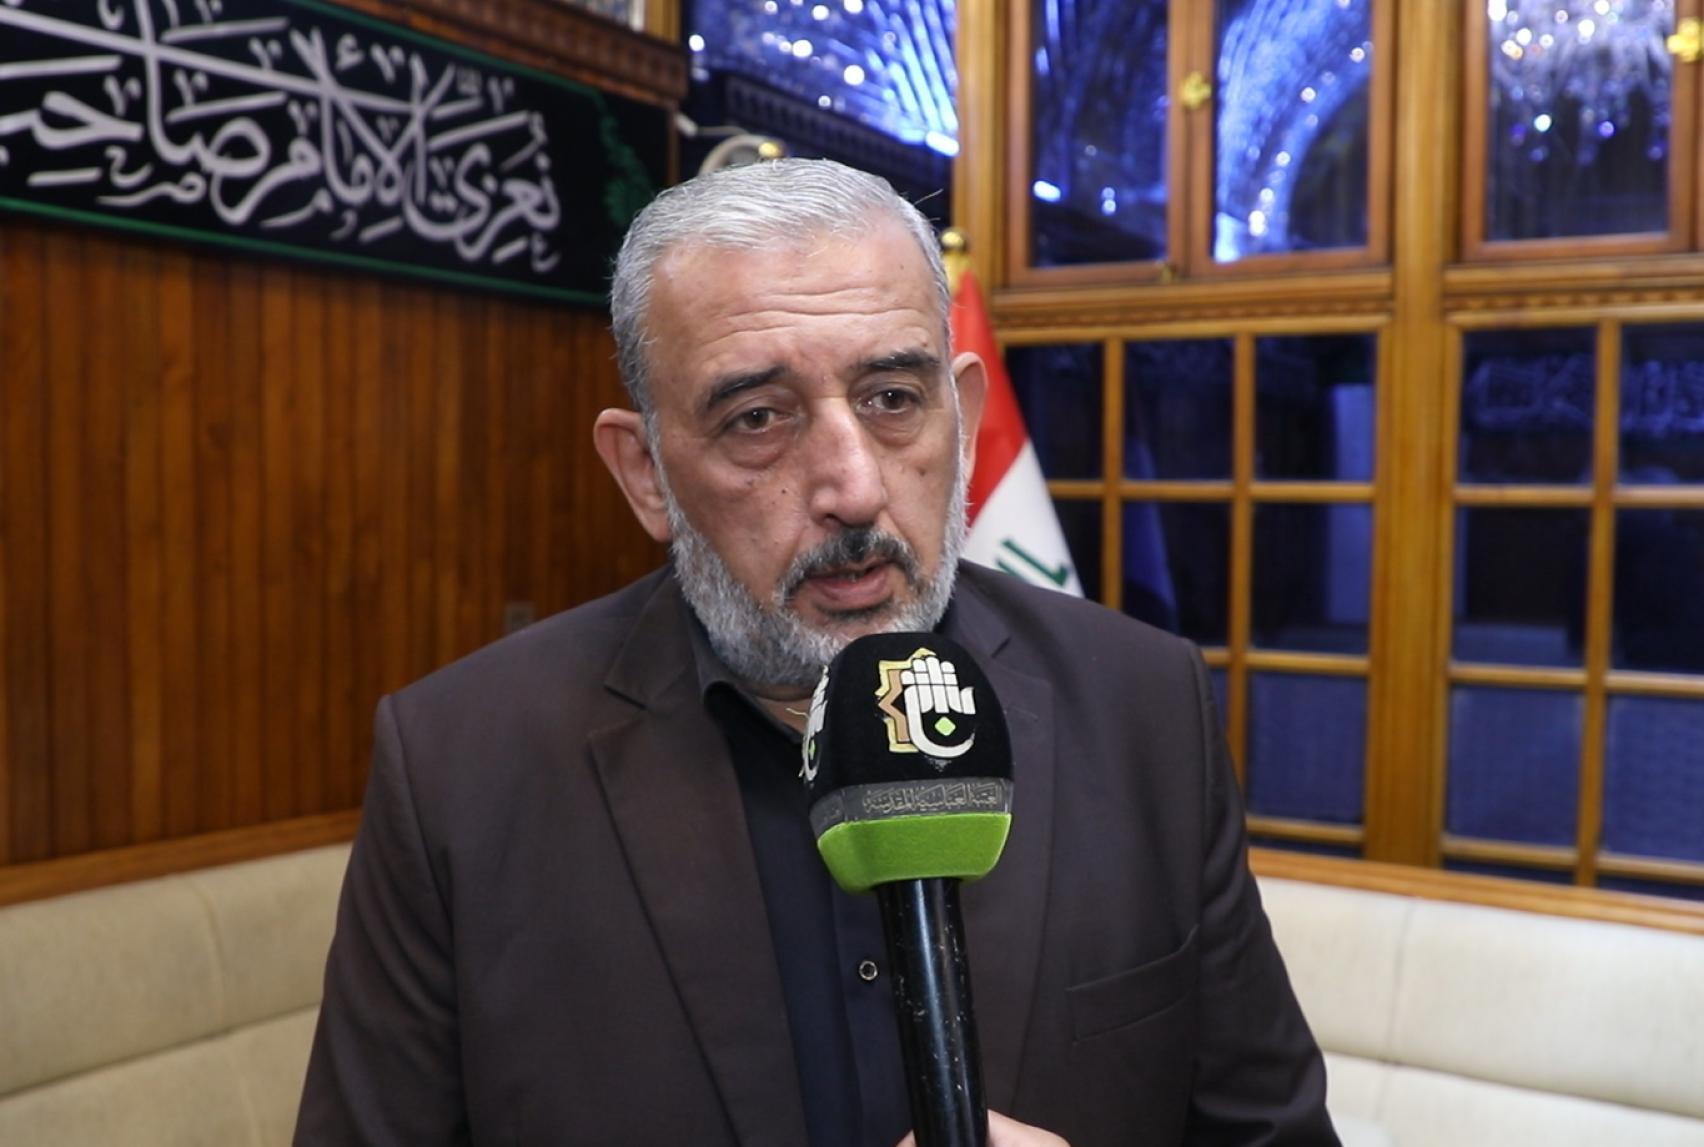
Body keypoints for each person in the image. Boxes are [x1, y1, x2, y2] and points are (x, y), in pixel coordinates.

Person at [296, 158, 1337, 1147]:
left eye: (892, 399)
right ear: (645, 472)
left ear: (964, 418)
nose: (854, 487)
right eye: (758, 418)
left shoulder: (1143, 708)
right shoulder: (461, 768)